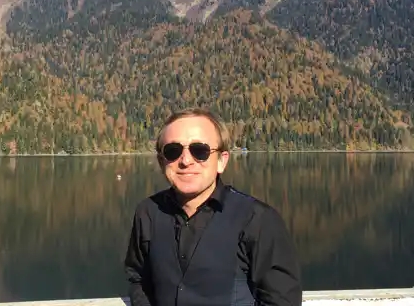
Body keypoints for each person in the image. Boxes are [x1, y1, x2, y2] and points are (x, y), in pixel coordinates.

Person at [124, 107, 302, 306]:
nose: (186, 161)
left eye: (200, 151)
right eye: (173, 151)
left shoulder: (257, 220)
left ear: (221, 161)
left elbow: (281, 301)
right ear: (161, 161)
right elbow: (138, 278)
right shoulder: (147, 213)